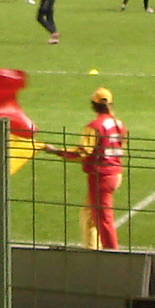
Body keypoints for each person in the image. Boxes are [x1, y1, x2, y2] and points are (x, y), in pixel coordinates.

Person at [47, 88, 126, 250]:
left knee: (103, 218)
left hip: (101, 176)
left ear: (93, 105)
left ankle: (111, 251)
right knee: (89, 214)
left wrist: (56, 151)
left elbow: (83, 152)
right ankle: (93, 247)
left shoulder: (94, 126)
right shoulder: (118, 124)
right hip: (115, 172)